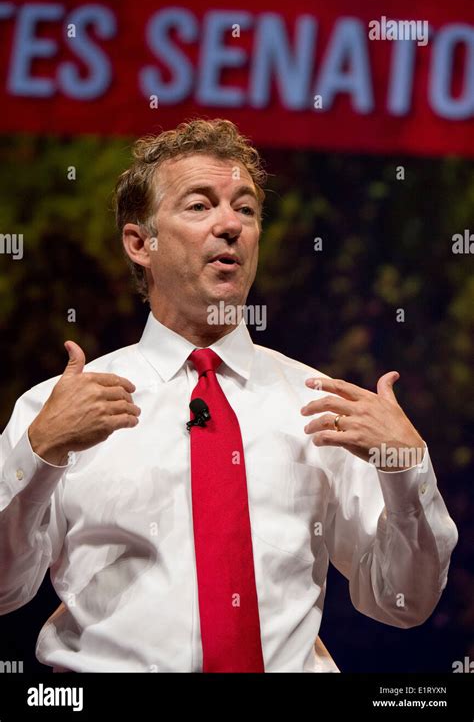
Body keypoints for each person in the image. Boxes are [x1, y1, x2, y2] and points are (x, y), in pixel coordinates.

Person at [0, 119, 458, 673]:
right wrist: (39, 452)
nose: (230, 225)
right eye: (199, 206)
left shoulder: (321, 404)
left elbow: (402, 601)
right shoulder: (57, 409)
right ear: (140, 242)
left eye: (245, 208)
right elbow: (5, 591)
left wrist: (408, 467)